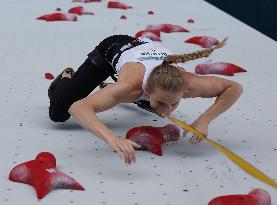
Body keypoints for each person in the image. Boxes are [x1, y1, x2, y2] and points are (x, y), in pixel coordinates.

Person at [48, 35, 243, 165]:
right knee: (59, 112)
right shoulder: (130, 87)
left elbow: (234, 87)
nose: (167, 113)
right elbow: (78, 107)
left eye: (174, 103)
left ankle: (110, 91)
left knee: (152, 106)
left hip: (141, 54)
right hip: (110, 51)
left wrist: (205, 119)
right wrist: (112, 138)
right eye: (161, 103)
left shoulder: (189, 83)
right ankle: (66, 77)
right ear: (147, 90)